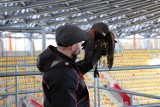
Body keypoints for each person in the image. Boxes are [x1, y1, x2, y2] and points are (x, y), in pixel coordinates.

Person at [37, 23, 115, 107]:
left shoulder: (57, 61)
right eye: (80, 42)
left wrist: (91, 60)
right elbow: (68, 75)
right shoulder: (63, 75)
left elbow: (72, 69)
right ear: (73, 47)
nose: (81, 45)